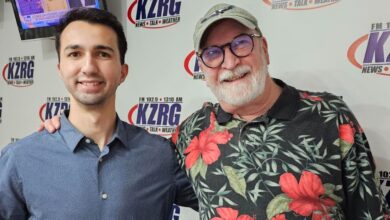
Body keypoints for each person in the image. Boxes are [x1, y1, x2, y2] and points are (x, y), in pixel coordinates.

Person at [40, 3, 390, 220]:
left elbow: (370, 211)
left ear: (263, 48)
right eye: (213, 53)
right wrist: (69, 131)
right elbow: (129, 166)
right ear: (202, 69)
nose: (230, 61)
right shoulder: (191, 135)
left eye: (240, 43)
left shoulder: (329, 115)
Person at [0, 8, 197, 219]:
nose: (89, 67)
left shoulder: (161, 155)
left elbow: (227, 200)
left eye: (102, 54)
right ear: (60, 69)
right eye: (75, 54)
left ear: (123, 72)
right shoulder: (19, 159)